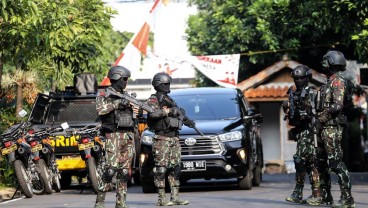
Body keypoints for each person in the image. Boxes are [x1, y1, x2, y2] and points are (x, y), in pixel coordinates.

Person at [315, 50, 355, 208]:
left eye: (325, 60)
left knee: (336, 162)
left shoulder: (338, 81)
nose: (323, 63)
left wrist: (321, 119)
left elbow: (337, 105)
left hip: (332, 127)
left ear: (331, 62)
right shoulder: (329, 82)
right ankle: (326, 196)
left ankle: (347, 198)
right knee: (321, 162)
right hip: (324, 127)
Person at [146, 72, 192, 206]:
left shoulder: (170, 100)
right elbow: (153, 114)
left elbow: (178, 113)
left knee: (176, 168)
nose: (168, 86)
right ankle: (162, 199)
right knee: (161, 169)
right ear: (158, 85)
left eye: (168, 84)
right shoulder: (153, 100)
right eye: (165, 84)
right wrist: (169, 111)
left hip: (174, 139)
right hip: (162, 138)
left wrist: (185, 119)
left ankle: (175, 197)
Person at [94, 66, 135, 208]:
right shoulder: (103, 94)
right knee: (110, 169)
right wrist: (117, 103)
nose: (126, 82)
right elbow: (101, 109)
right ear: (116, 78)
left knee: (124, 171)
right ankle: (100, 200)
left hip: (127, 135)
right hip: (113, 136)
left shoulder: (127, 95)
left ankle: (121, 202)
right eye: (124, 79)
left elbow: (134, 114)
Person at [282, 65, 323, 206]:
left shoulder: (312, 93)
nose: (298, 80)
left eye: (301, 78)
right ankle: (298, 193)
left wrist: (304, 112)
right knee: (300, 161)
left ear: (307, 78)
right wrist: (287, 108)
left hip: (311, 132)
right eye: (296, 78)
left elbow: (317, 113)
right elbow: (291, 117)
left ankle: (316, 194)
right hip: (301, 132)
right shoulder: (294, 94)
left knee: (311, 161)